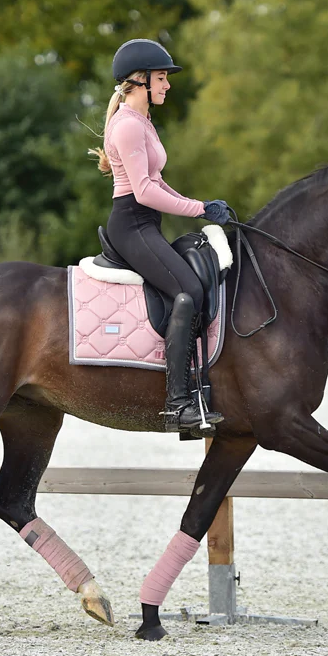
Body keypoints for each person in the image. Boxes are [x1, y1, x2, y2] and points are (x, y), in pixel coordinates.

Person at [90, 38, 229, 433]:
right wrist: (201, 211)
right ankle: (178, 404)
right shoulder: (128, 127)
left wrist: (202, 204)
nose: (167, 86)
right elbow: (144, 191)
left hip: (146, 222)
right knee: (188, 290)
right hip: (131, 223)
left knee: (193, 284)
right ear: (140, 80)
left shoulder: (143, 122)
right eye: (162, 78)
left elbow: (158, 182)